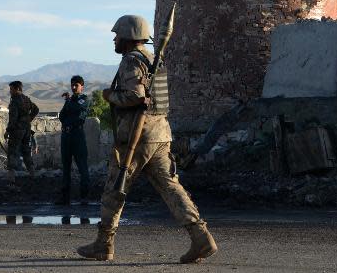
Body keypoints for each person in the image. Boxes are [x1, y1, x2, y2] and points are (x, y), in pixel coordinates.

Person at [77, 14, 217, 264]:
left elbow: (135, 96)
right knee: (172, 188)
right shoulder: (154, 59)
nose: (114, 40)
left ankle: (104, 243)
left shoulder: (132, 61)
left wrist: (110, 96)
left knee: (115, 189)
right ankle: (200, 236)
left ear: (129, 37)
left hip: (136, 137)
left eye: (117, 35)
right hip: (160, 135)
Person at [56, 75, 90, 205]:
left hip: (77, 136)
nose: (74, 87)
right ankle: (65, 198)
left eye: (77, 85)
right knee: (66, 167)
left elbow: (79, 112)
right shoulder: (69, 101)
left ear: (82, 86)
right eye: (72, 85)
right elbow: (62, 116)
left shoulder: (84, 99)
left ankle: (84, 197)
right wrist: (68, 102)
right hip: (66, 136)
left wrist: (70, 101)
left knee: (82, 167)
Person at [6, 81, 39, 174]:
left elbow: (13, 118)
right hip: (27, 129)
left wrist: (8, 131)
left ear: (17, 89)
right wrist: (28, 119)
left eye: (11, 89)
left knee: (12, 151)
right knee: (26, 151)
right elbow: (36, 109)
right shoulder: (26, 99)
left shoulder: (15, 101)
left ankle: (11, 176)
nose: (10, 92)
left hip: (17, 130)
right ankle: (32, 172)